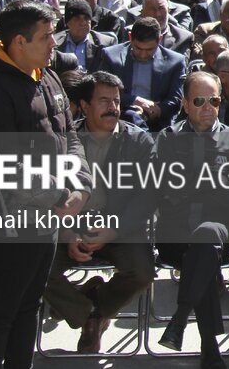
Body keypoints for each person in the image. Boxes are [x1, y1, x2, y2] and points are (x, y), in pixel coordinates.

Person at [0, 0, 92, 369]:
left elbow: (70, 136)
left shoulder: (47, 75)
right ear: (18, 43)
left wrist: (81, 186)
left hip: (49, 218)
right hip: (11, 220)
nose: (54, 44)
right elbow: (6, 159)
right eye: (44, 37)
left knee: (29, 309)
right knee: (0, 312)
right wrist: (59, 195)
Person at [42, 72, 156, 353]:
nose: (113, 107)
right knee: (34, 267)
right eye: (104, 101)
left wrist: (114, 231)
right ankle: (90, 314)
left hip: (118, 226)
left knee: (142, 271)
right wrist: (68, 233)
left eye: (116, 101)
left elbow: (148, 196)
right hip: (69, 225)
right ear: (83, 105)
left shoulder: (138, 141)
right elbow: (46, 191)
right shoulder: (64, 141)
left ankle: (90, 308)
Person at [153, 71, 229, 369]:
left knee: (206, 238)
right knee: (202, 255)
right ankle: (208, 345)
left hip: (218, 229)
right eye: (199, 100)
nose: (208, 107)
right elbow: (160, 188)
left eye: (215, 100)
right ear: (184, 104)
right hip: (175, 231)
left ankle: (181, 319)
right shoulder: (168, 138)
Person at [97, 16, 187, 131]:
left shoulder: (175, 62)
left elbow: (176, 100)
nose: (143, 55)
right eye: (138, 48)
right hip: (121, 118)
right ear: (130, 37)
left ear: (159, 39)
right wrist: (135, 101)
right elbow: (102, 92)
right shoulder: (111, 56)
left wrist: (157, 110)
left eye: (149, 49)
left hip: (158, 124)